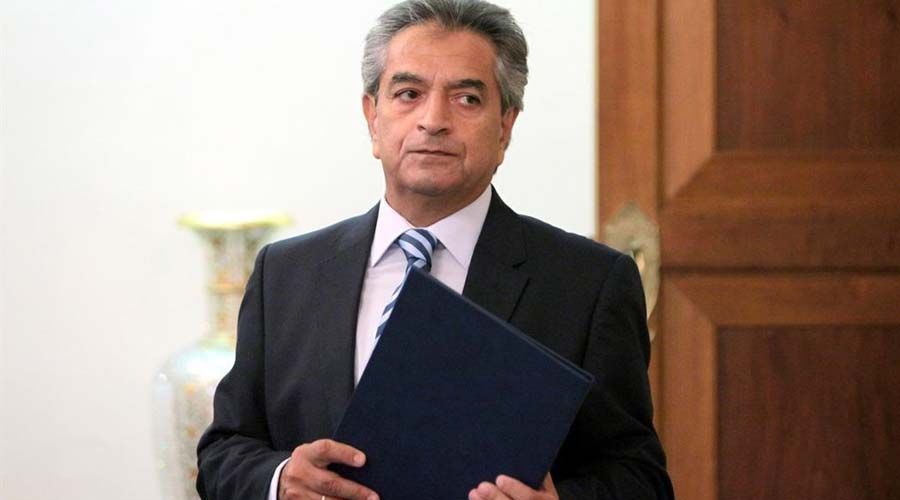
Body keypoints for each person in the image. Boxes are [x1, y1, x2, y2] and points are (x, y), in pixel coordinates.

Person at [196, 1, 674, 499]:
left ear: (506, 125)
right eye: (408, 94)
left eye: (466, 99)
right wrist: (279, 481)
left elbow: (640, 478)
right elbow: (223, 452)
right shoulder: (285, 274)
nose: (433, 120)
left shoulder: (588, 284)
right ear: (372, 117)